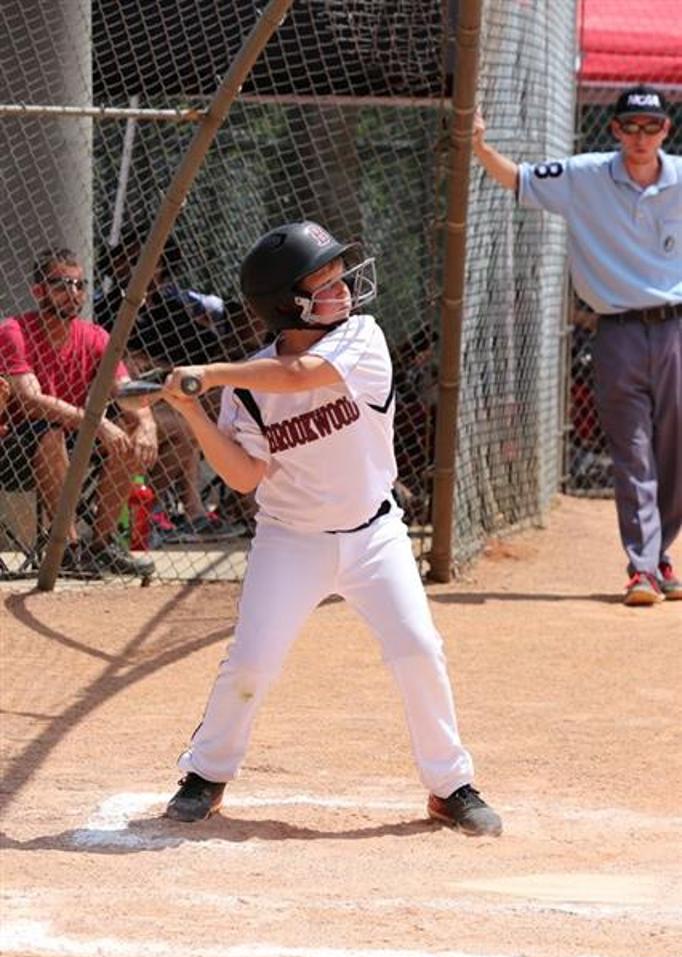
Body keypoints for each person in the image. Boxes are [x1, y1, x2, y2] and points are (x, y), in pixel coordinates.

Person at [159, 220, 502, 837]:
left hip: (375, 535)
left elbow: (298, 375)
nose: (343, 289)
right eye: (324, 283)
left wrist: (211, 373)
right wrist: (194, 410)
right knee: (251, 663)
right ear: (285, 304)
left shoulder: (361, 338)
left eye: (340, 277)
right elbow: (244, 475)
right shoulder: (247, 385)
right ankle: (205, 774)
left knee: (418, 649)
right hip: (290, 540)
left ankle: (450, 785)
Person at [472, 84, 682, 607]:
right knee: (632, 450)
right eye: (630, 127)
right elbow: (519, 179)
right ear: (615, 130)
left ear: (666, 130)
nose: (640, 137)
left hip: (676, 329)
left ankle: (659, 555)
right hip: (617, 332)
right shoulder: (585, 175)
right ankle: (641, 568)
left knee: (676, 451)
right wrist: (478, 147)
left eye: (650, 127)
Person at [0, 247, 157, 577]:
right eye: (61, 285)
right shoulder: (14, 331)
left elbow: (125, 390)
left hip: (74, 435)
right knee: (50, 432)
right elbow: (30, 400)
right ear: (38, 291)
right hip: (15, 442)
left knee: (129, 432)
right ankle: (68, 549)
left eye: (79, 285)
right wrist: (96, 423)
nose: (72, 293)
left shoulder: (95, 336)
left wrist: (146, 424)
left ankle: (101, 545)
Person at [94, 228, 251, 541]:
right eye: (130, 261)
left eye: (152, 262)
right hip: (129, 401)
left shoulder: (172, 310)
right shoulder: (107, 309)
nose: (141, 269)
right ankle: (181, 512)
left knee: (228, 401)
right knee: (188, 426)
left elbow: (205, 354)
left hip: (174, 392)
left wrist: (161, 366)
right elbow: (113, 362)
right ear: (117, 267)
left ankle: (177, 511)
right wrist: (136, 361)